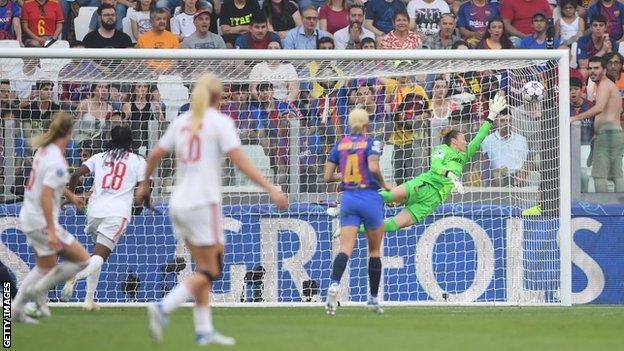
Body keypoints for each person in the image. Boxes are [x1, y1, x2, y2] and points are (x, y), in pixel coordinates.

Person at [138, 74, 288, 346]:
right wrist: (271, 188)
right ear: (218, 97)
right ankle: (163, 307)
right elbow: (240, 161)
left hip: (179, 203)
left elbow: (154, 155)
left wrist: (144, 185)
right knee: (213, 269)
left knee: (201, 267)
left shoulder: (182, 122)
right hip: (203, 203)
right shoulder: (220, 122)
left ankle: (203, 329)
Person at [332, 94, 507, 237]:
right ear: (454, 141)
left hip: (432, 201)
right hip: (423, 186)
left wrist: (491, 116)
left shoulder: (464, 154)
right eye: (463, 138)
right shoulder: (442, 149)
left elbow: (479, 138)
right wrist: (450, 175)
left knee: (393, 226)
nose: (467, 141)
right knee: (384, 197)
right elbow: (435, 166)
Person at [11, 113, 90, 324]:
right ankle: (40, 289)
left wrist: (70, 195)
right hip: (42, 222)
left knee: (44, 267)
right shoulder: (58, 161)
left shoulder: (44, 150)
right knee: (83, 260)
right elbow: (46, 194)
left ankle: (16, 311)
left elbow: (49, 184)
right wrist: (52, 230)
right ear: (70, 133)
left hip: (28, 216)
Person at [59, 126, 147, 310]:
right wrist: (142, 203)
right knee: (100, 257)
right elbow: (144, 188)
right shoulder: (138, 161)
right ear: (131, 140)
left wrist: (72, 196)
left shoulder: (99, 157)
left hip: (94, 211)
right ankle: (75, 275)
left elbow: (75, 173)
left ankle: (89, 301)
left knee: (95, 255)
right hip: (116, 213)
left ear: (111, 139)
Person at [323, 108, 389, 316]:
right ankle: (372, 299)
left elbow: (327, 177)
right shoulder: (372, 143)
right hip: (369, 197)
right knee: (375, 251)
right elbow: (373, 167)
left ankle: (334, 285)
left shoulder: (340, 144)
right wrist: (385, 184)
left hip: (349, 198)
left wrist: (345, 177)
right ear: (367, 124)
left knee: (345, 249)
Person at [571, 56, 624, 192]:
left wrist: (575, 118)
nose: (592, 71)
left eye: (596, 68)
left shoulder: (604, 85)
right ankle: (619, 210)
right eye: (590, 68)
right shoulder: (609, 86)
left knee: (600, 175)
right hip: (614, 133)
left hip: (607, 135)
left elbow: (599, 108)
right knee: (616, 174)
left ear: (605, 70)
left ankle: (604, 208)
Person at [577, 14, 617, 79]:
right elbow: (582, 64)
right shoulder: (583, 41)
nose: (598, 28)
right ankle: (584, 89)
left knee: (612, 71)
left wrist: (608, 49)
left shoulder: (612, 42)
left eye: (601, 25)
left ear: (605, 27)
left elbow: (613, 65)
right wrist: (603, 51)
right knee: (583, 71)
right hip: (589, 69)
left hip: (604, 69)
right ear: (591, 28)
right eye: (595, 25)